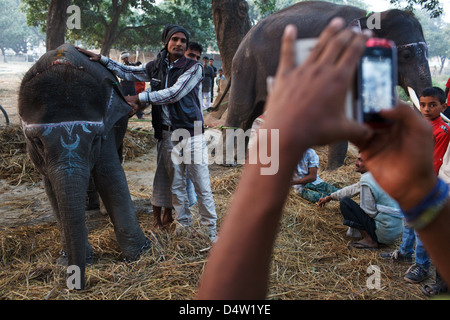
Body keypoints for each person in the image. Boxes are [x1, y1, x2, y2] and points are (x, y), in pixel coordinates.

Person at [196, 19, 450, 299]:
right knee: (334, 194)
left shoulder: (437, 134)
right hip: (317, 185)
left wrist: (269, 171)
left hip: (310, 183)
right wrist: (419, 188)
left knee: (333, 193)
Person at [77, 24, 218, 241]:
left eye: (183, 41)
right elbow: (129, 72)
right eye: (175, 39)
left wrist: (139, 98)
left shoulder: (194, 68)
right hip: (168, 134)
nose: (179, 43)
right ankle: (184, 226)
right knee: (177, 186)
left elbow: (174, 93)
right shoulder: (156, 66)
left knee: (201, 184)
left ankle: (210, 232)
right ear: (167, 41)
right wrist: (101, 59)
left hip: (193, 133)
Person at [381, 87, 449, 284]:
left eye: (432, 105)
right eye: (423, 105)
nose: (426, 109)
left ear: (443, 106)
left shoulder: (443, 131)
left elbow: (435, 163)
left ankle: (422, 266)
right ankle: (404, 253)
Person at [319, 152, 402, 249]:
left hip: (383, 233)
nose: (356, 163)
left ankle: (369, 240)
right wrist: (329, 197)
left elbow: (369, 212)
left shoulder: (367, 180)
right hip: (393, 231)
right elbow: (351, 189)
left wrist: (356, 214)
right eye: (357, 159)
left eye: (361, 160)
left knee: (346, 203)